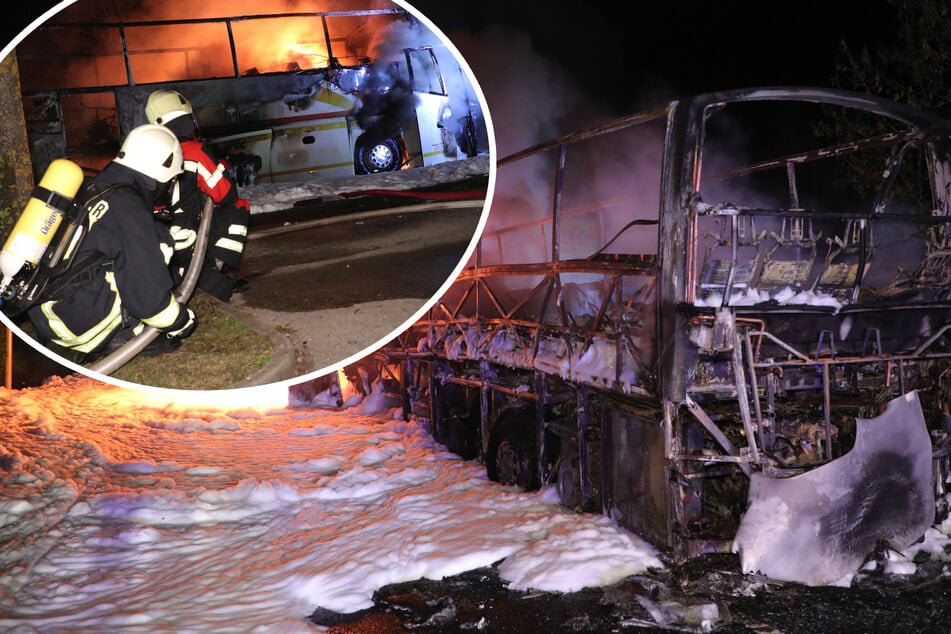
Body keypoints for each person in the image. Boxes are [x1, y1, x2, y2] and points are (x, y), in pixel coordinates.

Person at [28, 124, 196, 364]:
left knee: (152, 237)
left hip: (45, 309)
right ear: (160, 170)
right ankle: (125, 333)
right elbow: (146, 292)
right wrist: (179, 321)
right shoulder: (127, 210)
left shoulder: (95, 188)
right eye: (169, 180)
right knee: (154, 245)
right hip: (74, 322)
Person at [145, 89, 251, 301]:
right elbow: (225, 195)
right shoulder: (193, 151)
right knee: (238, 207)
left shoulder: (146, 151)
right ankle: (210, 271)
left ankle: (181, 272)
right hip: (185, 237)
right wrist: (220, 168)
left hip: (151, 235)